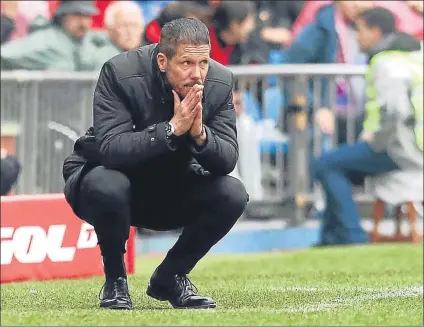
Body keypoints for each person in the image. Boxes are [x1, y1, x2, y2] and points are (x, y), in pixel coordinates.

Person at [62, 18, 248, 310]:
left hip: (168, 183)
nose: (197, 74)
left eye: (203, 63)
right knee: (109, 184)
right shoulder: (120, 72)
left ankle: (170, 277)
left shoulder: (220, 82)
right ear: (163, 61)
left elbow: (226, 160)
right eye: (186, 63)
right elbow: (111, 150)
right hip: (101, 180)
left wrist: (200, 134)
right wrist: (171, 128)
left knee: (233, 193)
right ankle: (115, 282)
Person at [311, 7, 423, 246]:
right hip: (415, 145)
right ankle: (330, 238)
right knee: (336, 165)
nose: (356, 37)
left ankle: (352, 235)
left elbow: (394, 111)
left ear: (375, 31)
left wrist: (376, 142)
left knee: (325, 163)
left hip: (399, 149)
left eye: (359, 30)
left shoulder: (385, 62)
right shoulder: (414, 56)